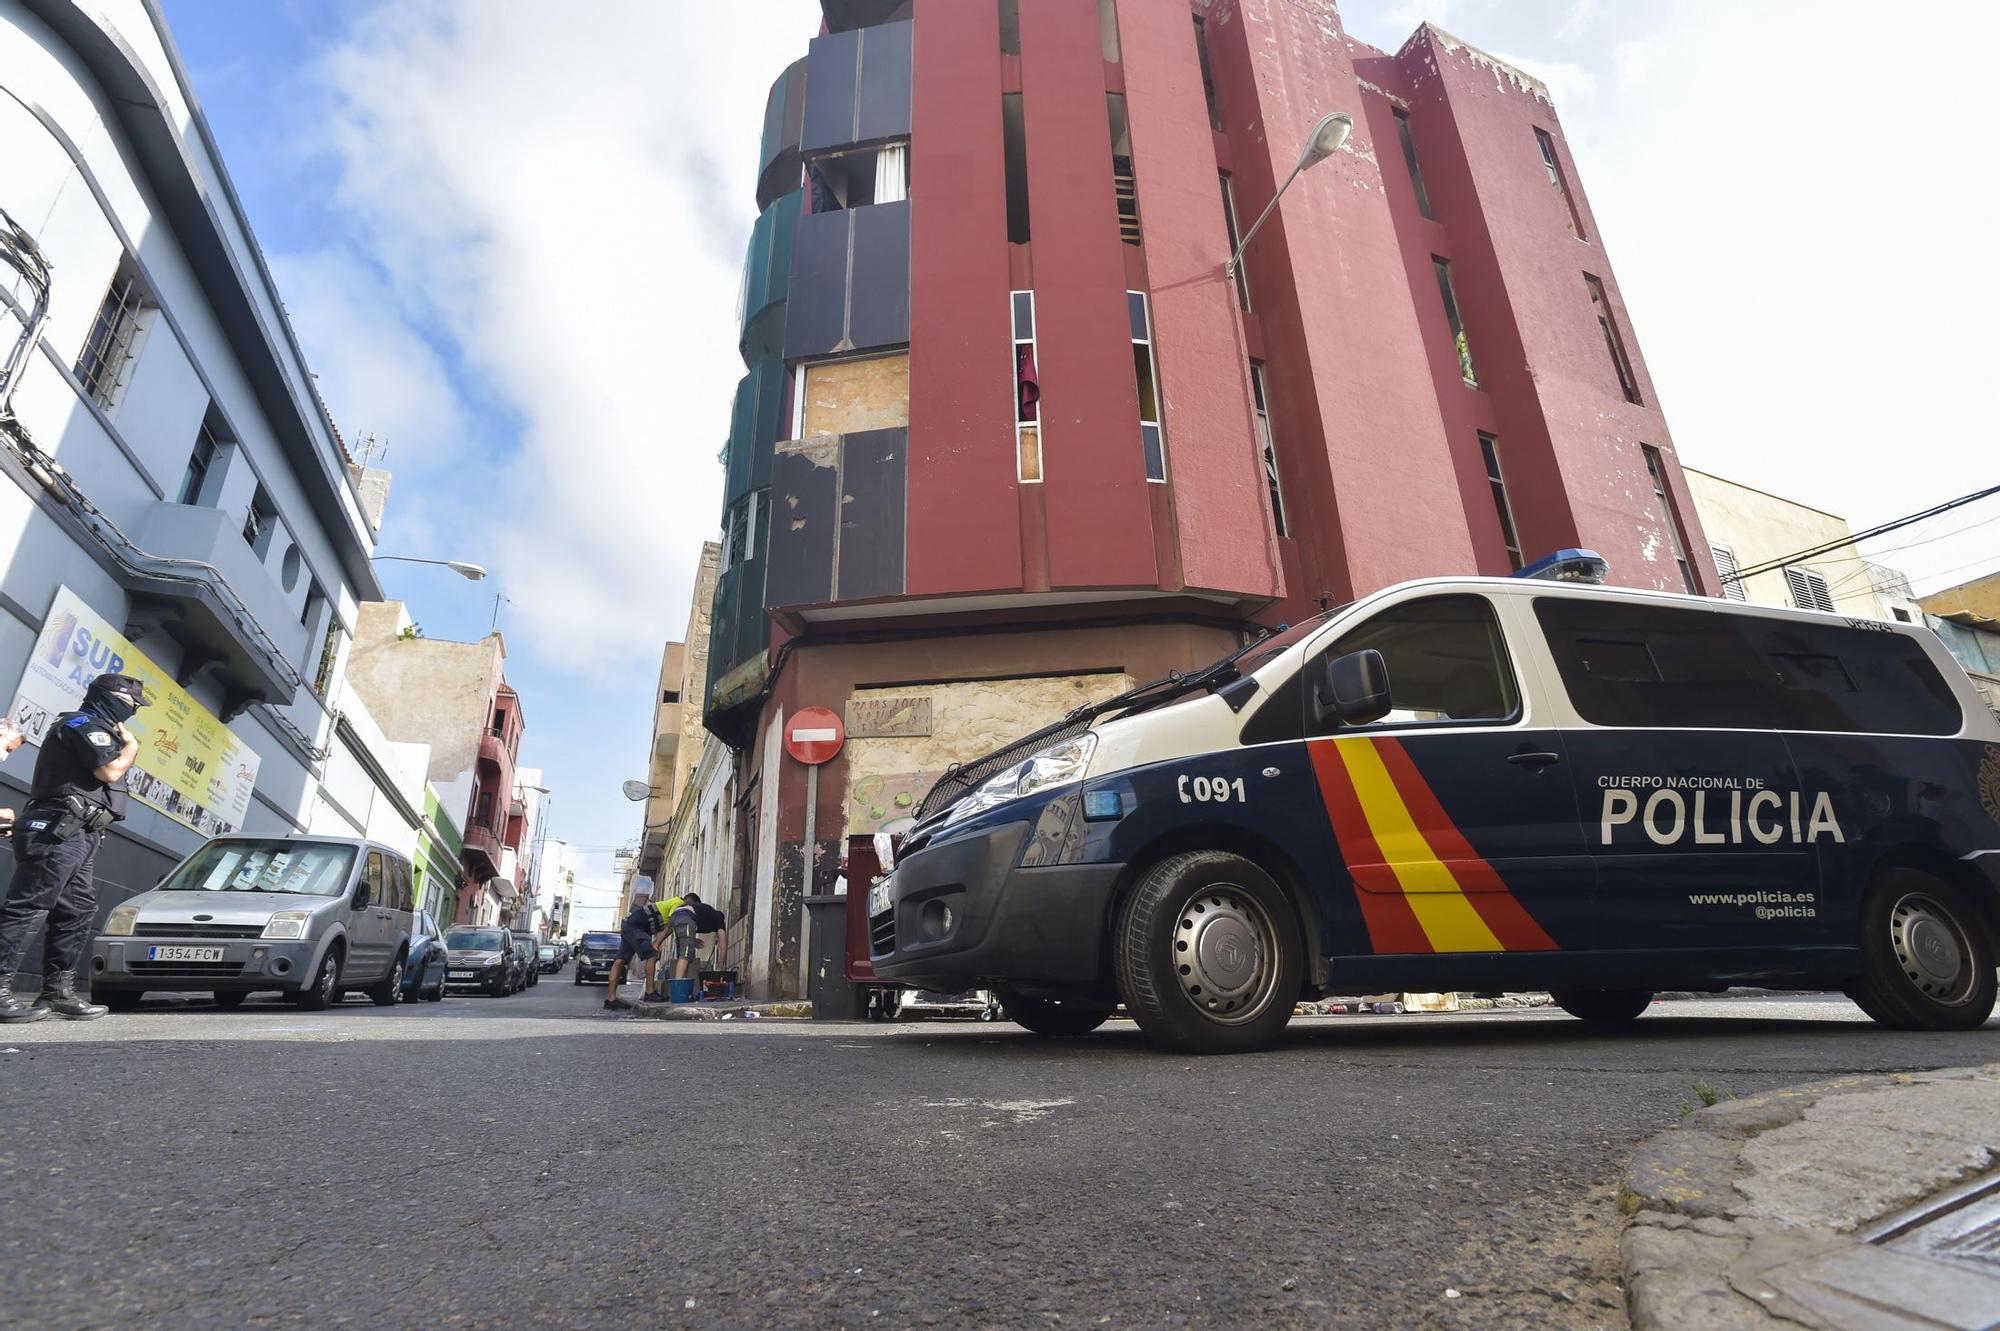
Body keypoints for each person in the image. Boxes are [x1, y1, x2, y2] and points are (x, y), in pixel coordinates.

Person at [0, 674, 149, 1022]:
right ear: (109, 697)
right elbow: (110, 771)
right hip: (59, 829)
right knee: (30, 905)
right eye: (131, 705)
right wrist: (132, 748)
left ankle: (57, 992)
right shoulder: (82, 724)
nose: (133, 712)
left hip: (82, 833)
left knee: (77, 910)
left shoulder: (98, 728)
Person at [604, 891, 680, 1010]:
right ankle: (650, 993)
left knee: (620, 960)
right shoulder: (679, 903)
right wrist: (656, 943)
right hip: (637, 926)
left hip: (628, 924)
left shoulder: (671, 903)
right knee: (652, 955)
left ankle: (611, 999)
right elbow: (671, 924)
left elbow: (670, 928)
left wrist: (657, 942)